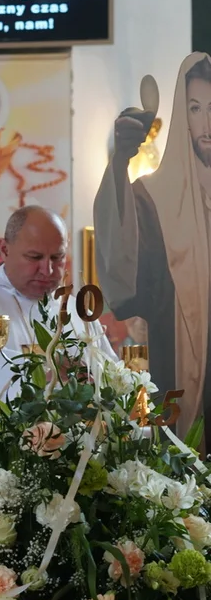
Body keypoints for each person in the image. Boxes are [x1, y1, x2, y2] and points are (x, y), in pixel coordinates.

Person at [94, 52, 211, 436]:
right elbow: (126, 284)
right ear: (182, 115)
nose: (206, 121)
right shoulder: (152, 197)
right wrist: (120, 160)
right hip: (180, 370)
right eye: (195, 108)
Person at [0, 206, 119, 428]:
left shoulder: (75, 309)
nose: (47, 270)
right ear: (4, 249)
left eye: (57, 257)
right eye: (35, 257)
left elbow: (112, 377)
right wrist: (50, 369)